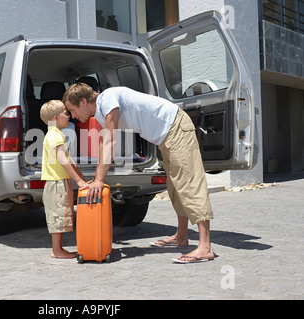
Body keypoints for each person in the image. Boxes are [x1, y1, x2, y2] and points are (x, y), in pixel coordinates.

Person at [63, 84, 214, 264]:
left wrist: (99, 180)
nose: (72, 116)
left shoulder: (108, 98)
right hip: (166, 136)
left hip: (175, 127)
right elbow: (104, 143)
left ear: (83, 101)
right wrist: (96, 179)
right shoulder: (102, 113)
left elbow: (110, 142)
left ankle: (205, 247)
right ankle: (181, 236)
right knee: (176, 185)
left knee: (189, 183)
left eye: (72, 110)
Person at [40, 100, 87, 259]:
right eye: (65, 114)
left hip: (59, 181)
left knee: (61, 214)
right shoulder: (54, 136)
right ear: (55, 118)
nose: (69, 116)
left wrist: (80, 176)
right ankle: (56, 250)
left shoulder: (55, 135)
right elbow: (63, 160)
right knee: (58, 216)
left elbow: (69, 159)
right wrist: (79, 181)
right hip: (56, 182)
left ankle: (58, 249)